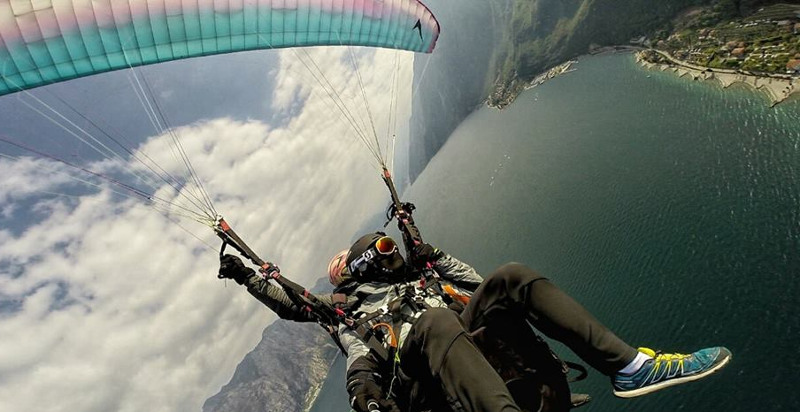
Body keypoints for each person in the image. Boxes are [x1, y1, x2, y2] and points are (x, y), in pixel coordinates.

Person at [218, 233, 731, 412]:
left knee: (509, 277)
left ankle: (632, 367)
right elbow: (304, 314)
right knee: (439, 324)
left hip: (494, 363)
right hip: (431, 389)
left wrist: (434, 256)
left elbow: (478, 282)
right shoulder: (350, 315)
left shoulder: (424, 281)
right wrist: (246, 275)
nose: (389, 254)